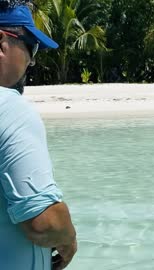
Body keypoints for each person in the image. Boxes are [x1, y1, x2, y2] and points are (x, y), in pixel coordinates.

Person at [0, 1, 77, 269]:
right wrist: (67, 235)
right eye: (31, 47)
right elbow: (43, 224)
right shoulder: (9, 109)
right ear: (1, 42)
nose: (32, 61)